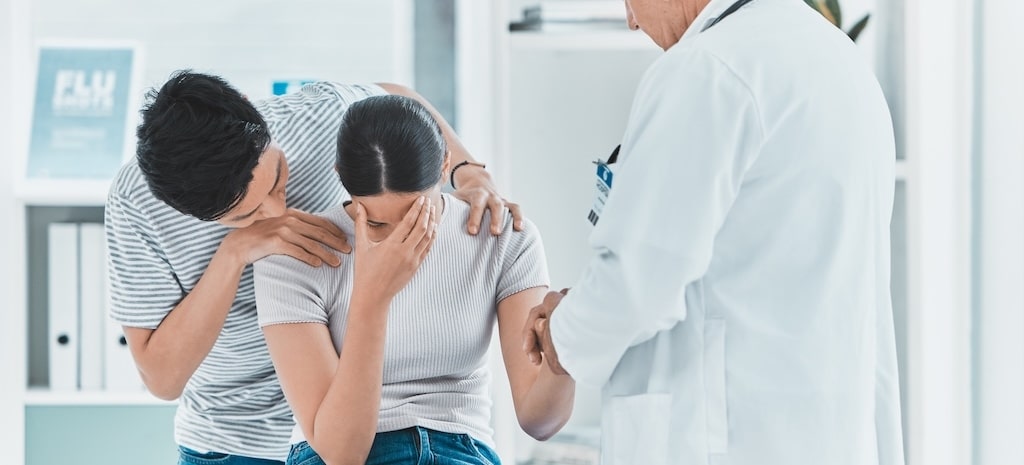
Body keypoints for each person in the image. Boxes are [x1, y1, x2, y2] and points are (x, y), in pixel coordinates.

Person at [521, 0, 904, 464]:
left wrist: (561, 333)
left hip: (731, 440)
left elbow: (639, 284)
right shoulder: (838, 60)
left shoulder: (706, 69)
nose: (631, 20)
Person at [104, 71, 524, 465]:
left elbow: (399, 100)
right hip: (237, 440)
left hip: (363, 424)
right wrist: (235, 253)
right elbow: (162, 378)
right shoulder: (134, 205)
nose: (277, 211)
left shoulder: (318, 115)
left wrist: (468, 171)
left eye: (276, 179)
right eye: (241, 214)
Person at [252, 94, 576, 465]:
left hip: (459, 450)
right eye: (374, 223)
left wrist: (562, 353)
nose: (396, 241)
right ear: (340, 175)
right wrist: (372, 298)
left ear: (444, 166)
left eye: (417, 216)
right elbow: (342, 453)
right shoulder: (294, 258)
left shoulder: (503, 237)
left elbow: (539, 422)